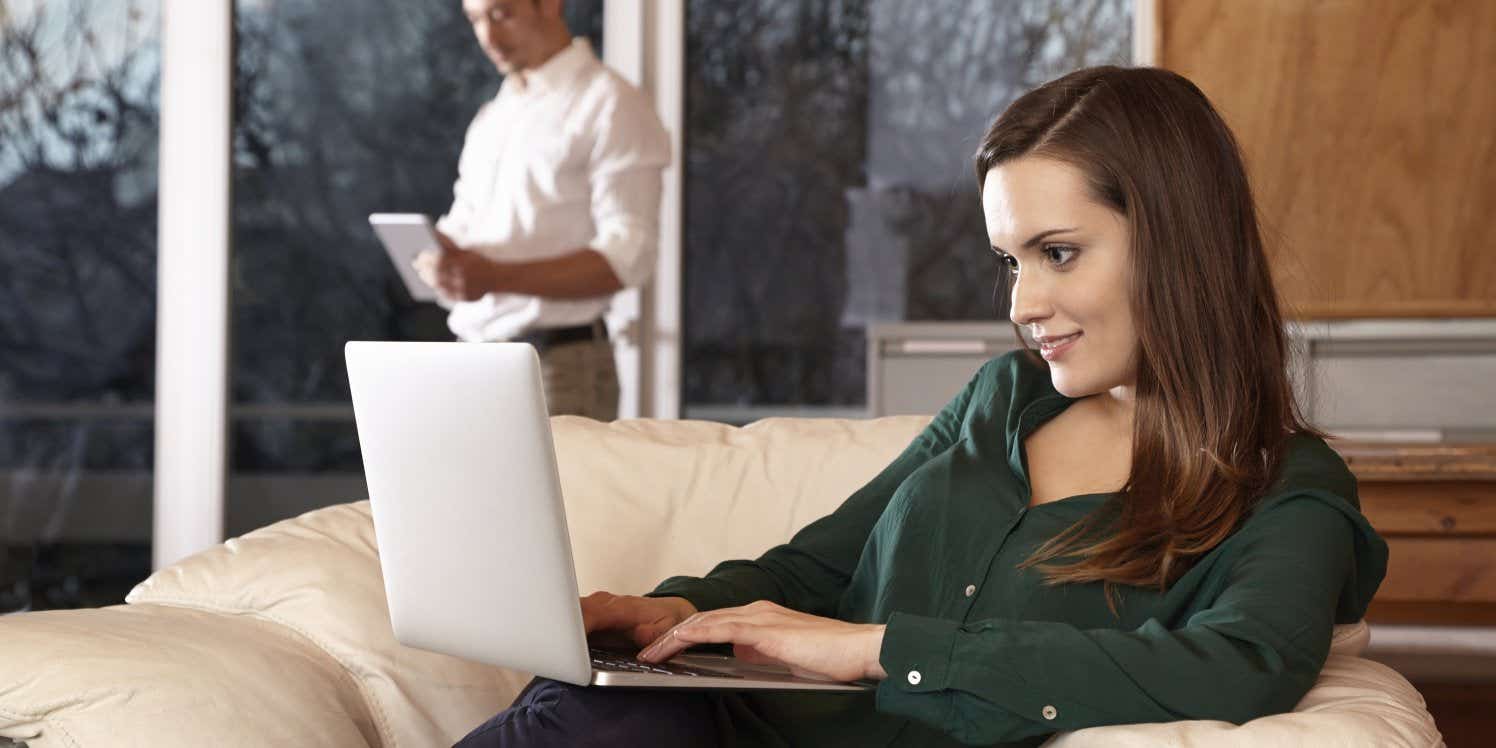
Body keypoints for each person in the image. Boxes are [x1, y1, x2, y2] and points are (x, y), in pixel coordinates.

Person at [455, 65, 1389, 747]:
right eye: (1010, 262)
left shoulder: (1282, 489)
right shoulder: (1005, 400)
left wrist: (876, 650)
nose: (1021, 306)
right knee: (583, 709)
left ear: (1180, 242)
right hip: (705, 723)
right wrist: (667, 611)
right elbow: (816, 570)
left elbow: (1243, 664)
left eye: (1058, 252)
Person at [414, 0, 670, 421]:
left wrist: (493, 276)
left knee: (566, 491)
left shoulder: (611, 103)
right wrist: (440, 262)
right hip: (468, 363)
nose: (487, 38)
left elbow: (631, 255)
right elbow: (467, 228)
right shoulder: (494, 116)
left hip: (556, 368)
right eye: (476, 20)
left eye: (501, 15)